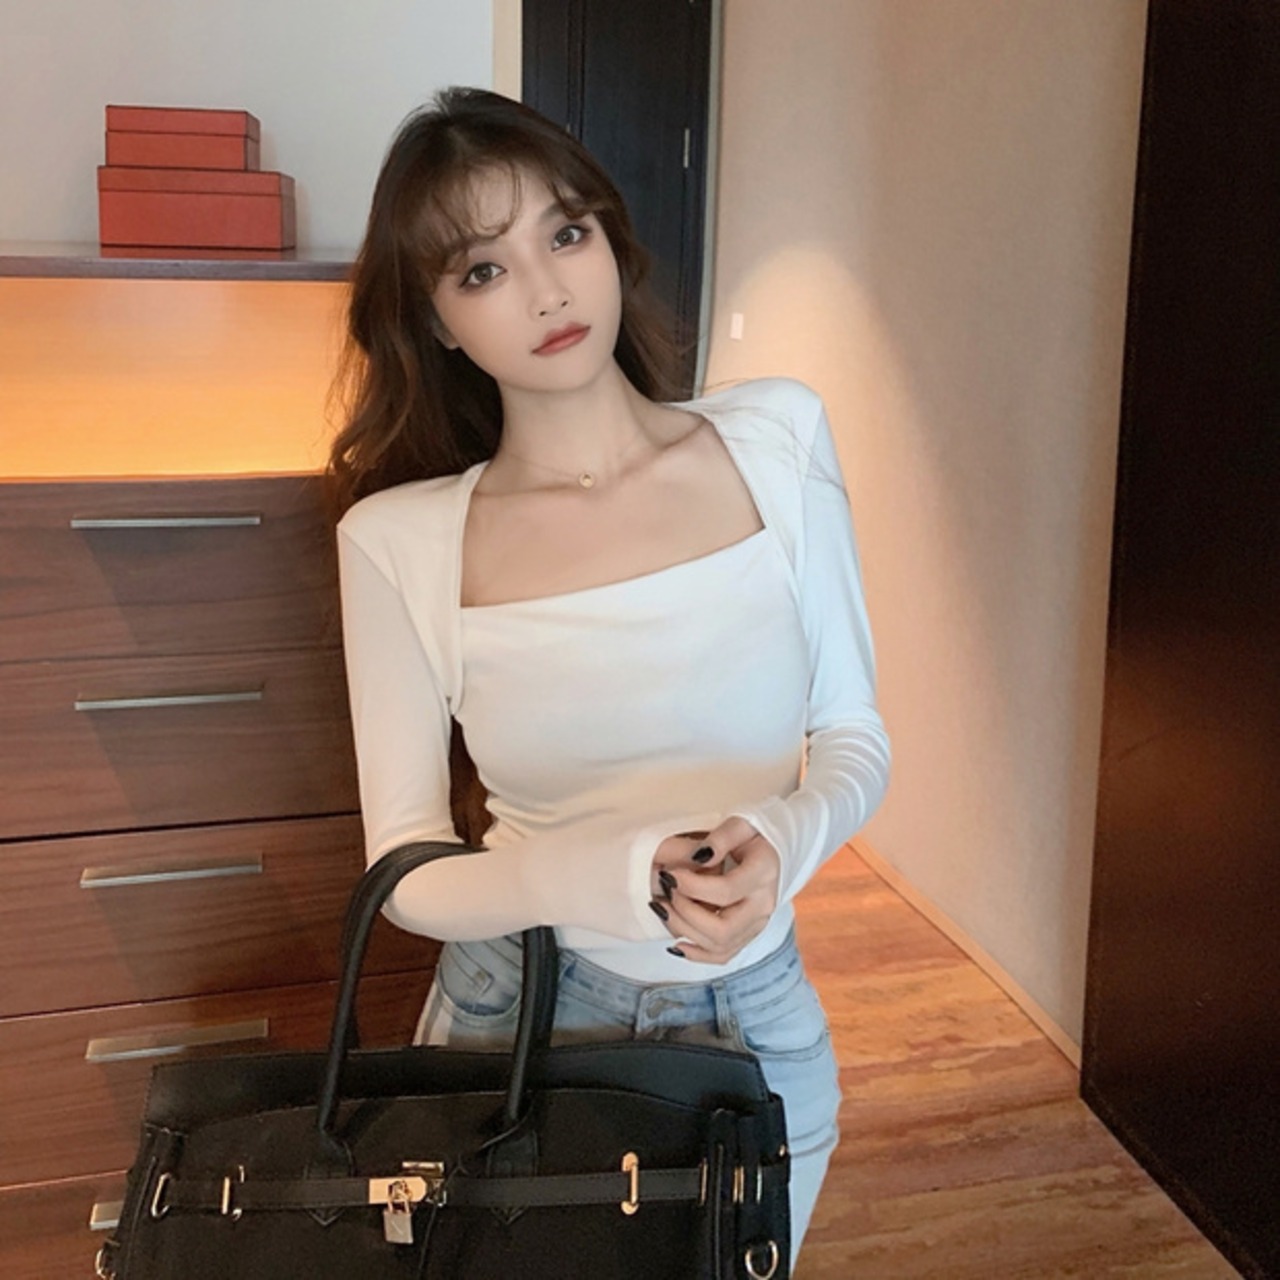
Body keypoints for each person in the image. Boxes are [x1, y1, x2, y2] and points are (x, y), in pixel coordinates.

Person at [328, 86, 890, 1266]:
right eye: (483, 269)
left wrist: (781, 837)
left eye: (565, 232)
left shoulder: (777, 438)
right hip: (519, 1013)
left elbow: (851, 733)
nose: (545, 291)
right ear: (433, 319)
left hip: (757, 1008)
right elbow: (407, 869)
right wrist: (614, 873)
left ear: (610, 241)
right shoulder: (396, 539)